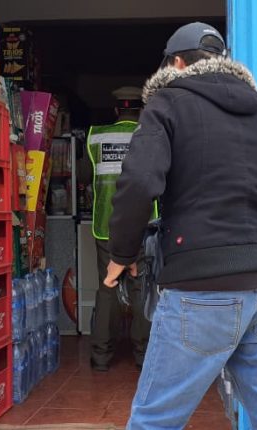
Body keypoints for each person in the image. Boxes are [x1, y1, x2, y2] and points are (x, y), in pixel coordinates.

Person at [104, 22, 257, 429]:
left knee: (154, 419)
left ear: (177, 62)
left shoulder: (167, 104)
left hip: (201, 290)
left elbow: (139, 182)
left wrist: (122, 252)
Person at [87, 86, 152, 372]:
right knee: (142, 287)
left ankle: (100, 356)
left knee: (107, 286)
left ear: (116, 110)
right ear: (141, 110)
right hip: (143, 224)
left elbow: (86, 174)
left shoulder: (96, 137)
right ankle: (144, 355)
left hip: (107, 226)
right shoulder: (151, 136)